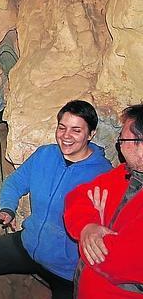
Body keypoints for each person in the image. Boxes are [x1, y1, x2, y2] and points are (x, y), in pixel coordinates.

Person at [0, 100, 112, 299]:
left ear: (91, 134)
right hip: (29, 244)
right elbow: (15, 182)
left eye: (76, 130)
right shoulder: (45, 155)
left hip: (67, 268)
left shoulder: (103, 175)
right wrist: (8, 209)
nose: (66, 136)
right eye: (62, 127)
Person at [64, 104, 143, 298]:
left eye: (123, 140)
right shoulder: (126, 173)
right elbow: (77, 198)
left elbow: (116, 260)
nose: (120, 146)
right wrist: (88, 226)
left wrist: (90, 237)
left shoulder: (101, 167)